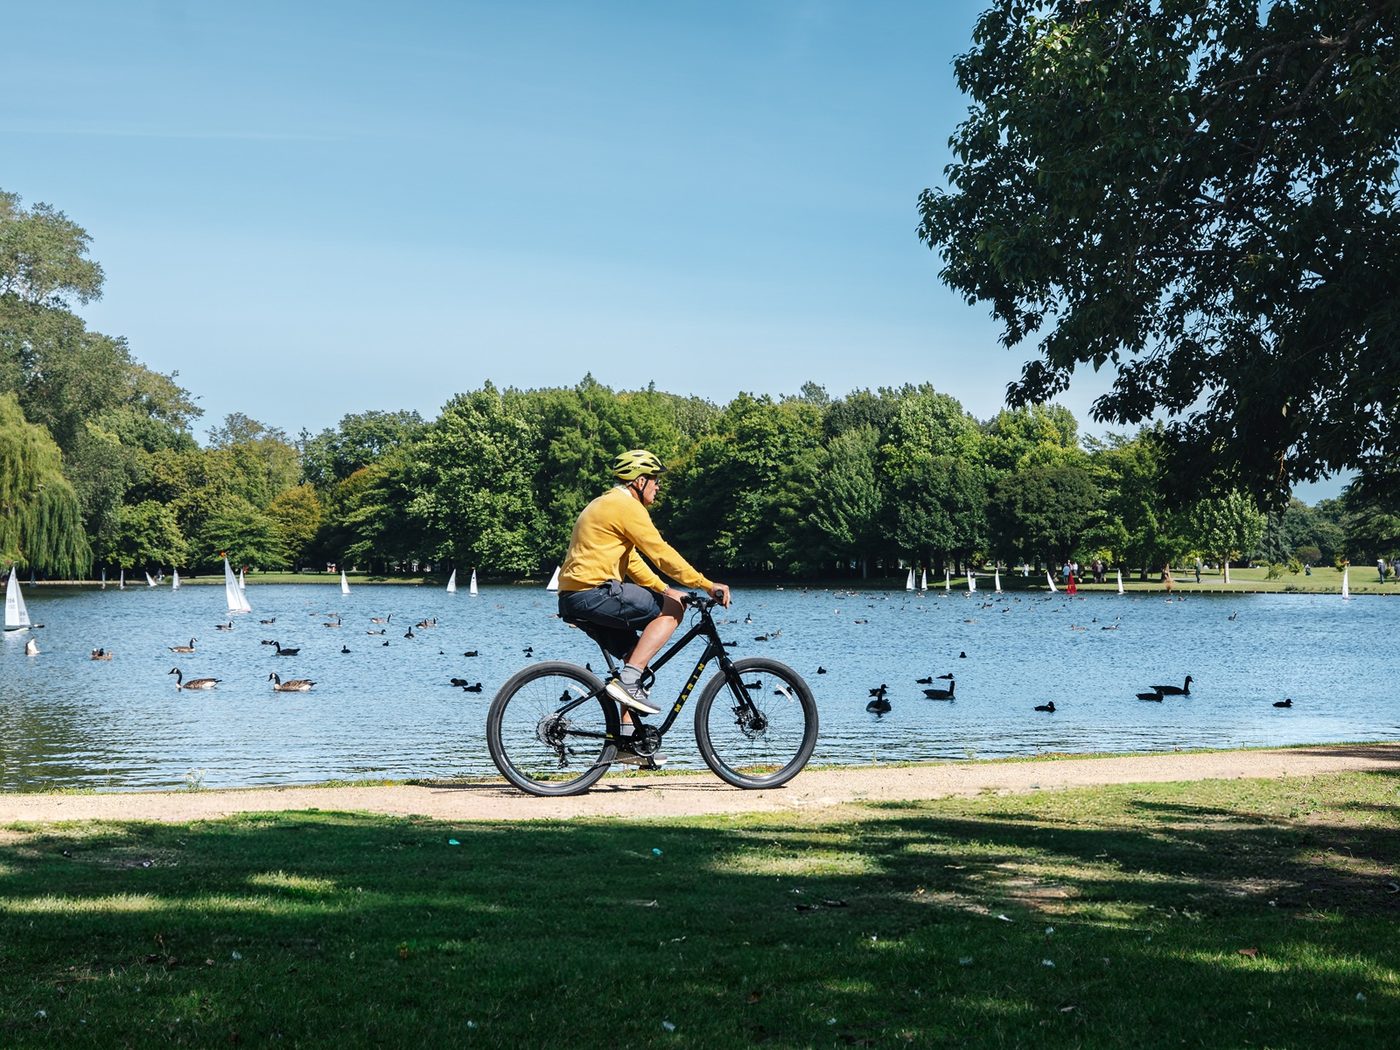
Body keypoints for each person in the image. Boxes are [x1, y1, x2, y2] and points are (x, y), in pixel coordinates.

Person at [557, 449, 731, 766]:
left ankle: (625, 742)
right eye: (655, 480)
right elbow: (660, 553)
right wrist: (706, 585)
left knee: (638, 659)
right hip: (593, 592)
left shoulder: (608, 504)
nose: (658, 487)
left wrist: (665, 589)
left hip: (576, 596)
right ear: (639, 481)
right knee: (672, 613)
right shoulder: (626, 506)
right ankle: (629, 681)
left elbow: (633, 561)